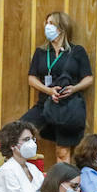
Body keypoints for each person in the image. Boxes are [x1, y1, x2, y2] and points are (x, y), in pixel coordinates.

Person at [23, 12, 93, 162]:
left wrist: (74, 88)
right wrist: (48, 90)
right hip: (44, 104)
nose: (47, 26)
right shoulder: (41, 52)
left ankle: (62, 182)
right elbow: (32, 78)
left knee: (62, 151)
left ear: (62, 27)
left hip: (67, 107)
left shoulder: (76, 51)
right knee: (19, 132)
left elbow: (88, 78)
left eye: (51, 23)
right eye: (46, 23)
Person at [0, 120, 43, 192]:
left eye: (32, 139)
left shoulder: (33, 168)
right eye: (26, 140)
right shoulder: (8, 170)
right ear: (12, 145)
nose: (31, 143)